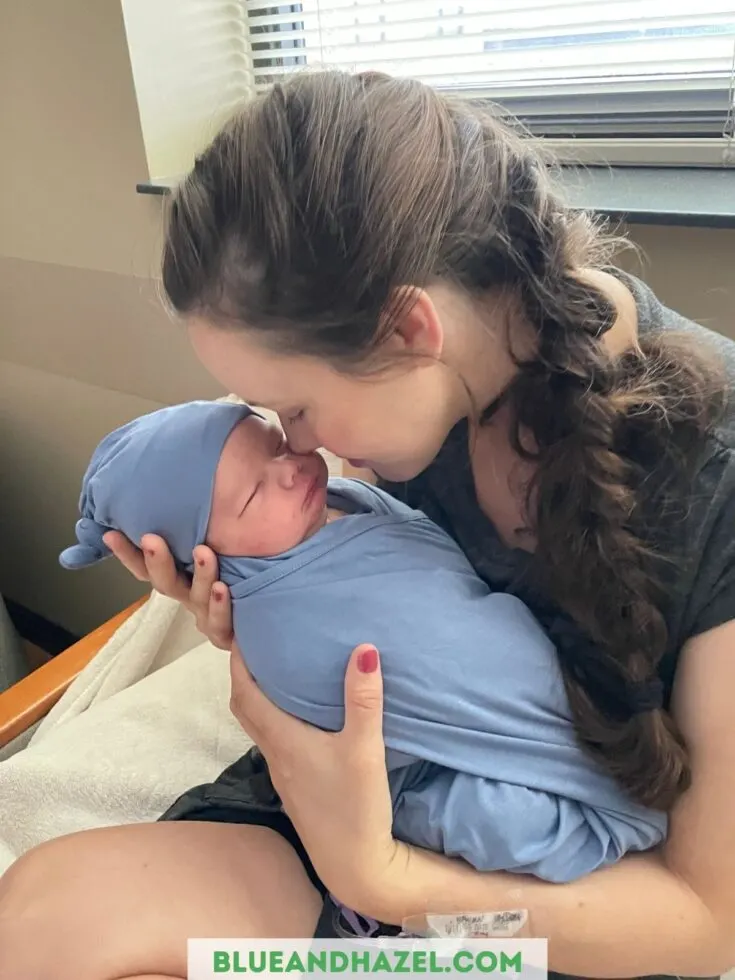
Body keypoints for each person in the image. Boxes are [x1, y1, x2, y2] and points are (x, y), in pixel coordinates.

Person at [1, 69, 734, 980]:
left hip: (543, 898)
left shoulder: (716, 489)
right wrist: (258, 599)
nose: (302, 450)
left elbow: (708, 925)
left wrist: (386, 882)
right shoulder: (431, 396)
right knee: (38, 929)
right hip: (347, 800)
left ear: (407, 329)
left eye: (294, 408)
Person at [58, 399, 666, 882]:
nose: (293, 466)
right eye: (253, 493)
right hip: (409, 771)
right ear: (202, 555)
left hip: (552, 695)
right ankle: (586, 814)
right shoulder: (283, 624)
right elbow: (376, 686)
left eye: (274, 441)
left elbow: (455, 625)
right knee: (471, 818)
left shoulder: (345, 495)